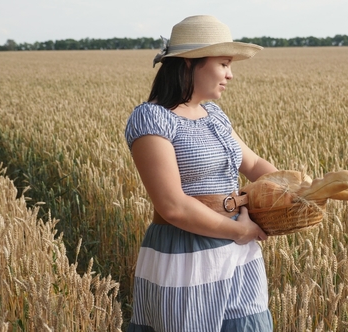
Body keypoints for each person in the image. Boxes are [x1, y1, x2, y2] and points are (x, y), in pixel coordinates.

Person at [124, 15, 278, 331]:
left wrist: (300, 190)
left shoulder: (214, 116)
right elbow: (172, 206)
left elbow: (253, 165)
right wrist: (239, 231)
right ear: (190, 64)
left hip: (238, 250)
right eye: (223, 63)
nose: (230, 74)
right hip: (187, 252)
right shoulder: (152, 119)